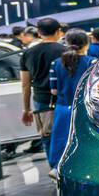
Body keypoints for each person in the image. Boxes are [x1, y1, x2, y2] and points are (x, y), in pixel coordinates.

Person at [47, 29, 94, 169]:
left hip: (62, 108)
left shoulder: (56, 63)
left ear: (66, 43)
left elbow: (53, 90)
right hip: (83, 108)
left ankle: (57, 168)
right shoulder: (92, 62)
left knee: (60, 138)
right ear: (86, 45)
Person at [20, 18, 65, 154]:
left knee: (46, 135)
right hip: (64, 99)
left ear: (38, 32)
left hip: (41, 101)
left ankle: (52, 166)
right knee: (65, 134)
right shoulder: (66, 52)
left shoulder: (28, 53)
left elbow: (25, 84)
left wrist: (26, 109)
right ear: (58, 31)